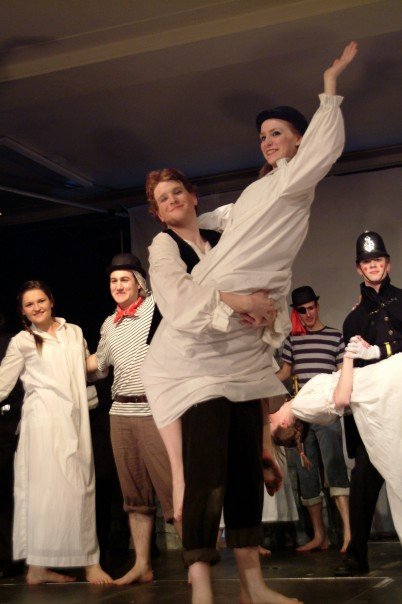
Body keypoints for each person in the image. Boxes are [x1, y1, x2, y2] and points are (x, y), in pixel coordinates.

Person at [142, 43, 357, 604]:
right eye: (263, 135)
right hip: (193, 364)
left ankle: (252, 585)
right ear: (156, 211)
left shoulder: (245, 209)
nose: (267, 141)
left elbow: (241, 217)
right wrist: (241, 301)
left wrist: (329, 89)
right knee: (206, 477)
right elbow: (181, 302)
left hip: (238, 361)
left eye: (277, 133)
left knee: (242, 474)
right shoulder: (165, 247)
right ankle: (200, 587)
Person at [0, 281, 112, 585]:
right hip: (42, 425)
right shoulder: (23, 341)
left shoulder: (73, 332)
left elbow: (85, 368)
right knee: (42, 495)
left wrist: (112, 349)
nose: (36, 308)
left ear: (51, 301)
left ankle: (84, 562)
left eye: (40, 301)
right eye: (29, 304)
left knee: (80, 488)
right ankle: (42, 566)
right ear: (23, 311)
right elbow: (3, 383)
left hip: (74, 420)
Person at [86, 253, 180, 585]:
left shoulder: (157, 309)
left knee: (173, 493)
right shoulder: (109, 324)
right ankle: (142, 564)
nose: (118, 285)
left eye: (124, 279)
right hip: (120, 414)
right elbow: (98, 366)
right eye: (113, 280)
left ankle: (197, 564)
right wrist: (61, 354)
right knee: (134, 496)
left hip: (155, 412)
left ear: (139, 283)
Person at [269, 338, 402, 546]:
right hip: (371, 387)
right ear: (285, 423)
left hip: (369, 384)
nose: (269, 416)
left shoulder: (300, 402)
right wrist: (348, 357)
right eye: (271, 422)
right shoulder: (301, 406)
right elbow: (341, 398)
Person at [335, 231, 402, 576]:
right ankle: (356, 555)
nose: (373, 265)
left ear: (387, 263)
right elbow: (353, 372)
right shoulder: (354, 318)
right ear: (359, 268)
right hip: (374, 415)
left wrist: (382, 350)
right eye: (366, 261)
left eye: (378, 260)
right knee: (363, 479)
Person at [275, 286, 350, 553]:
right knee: (307, 475)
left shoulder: (334, 337)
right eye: (302, 310)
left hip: (327, 412)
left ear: (317, 306)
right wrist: (258, 382)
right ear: (296, 312)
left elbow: (342, 374)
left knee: (335, 468)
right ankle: (320, 536)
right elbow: (285, 373)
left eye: (310, 308)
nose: (308, 314)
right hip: (302, 417)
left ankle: (348, 533)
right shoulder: (293, 341)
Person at [0, 311, 24, 579]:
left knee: (6, 493)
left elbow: (15, 387)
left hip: (7, 423)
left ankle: (10, 558)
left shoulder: (11, 342)